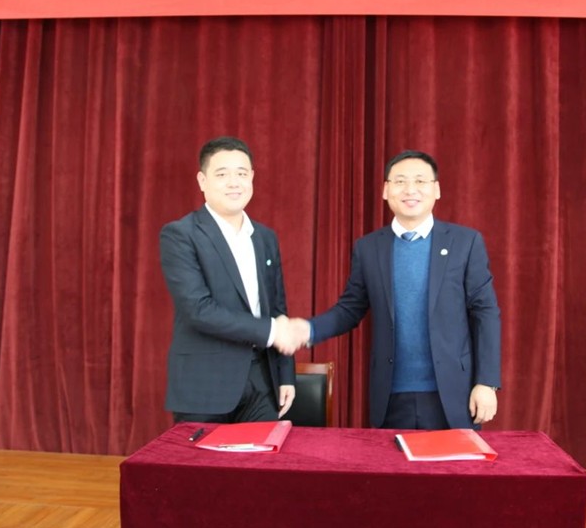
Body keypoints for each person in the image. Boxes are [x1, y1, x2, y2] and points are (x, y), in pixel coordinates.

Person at [283, 150, 501, 430]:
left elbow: (485, 312)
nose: (410, 189)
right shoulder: (369, 247)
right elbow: (350, 309)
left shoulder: (465, 242)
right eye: (400, 181)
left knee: (455, 461)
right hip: (391, 396)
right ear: (386, 191)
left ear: (436, 190)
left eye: (420, 181)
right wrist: (308, 330)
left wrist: (487, 382)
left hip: (454, 394)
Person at [159, 137, 308, 424]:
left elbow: (277, 308)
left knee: (264, 454)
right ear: (202, 181)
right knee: (203, 456)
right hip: (204, 384)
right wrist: (271, 331)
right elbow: (198, 309)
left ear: (251, 177)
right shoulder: (180, 234)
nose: (234, 183)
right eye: (222, 174)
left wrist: (285, 374)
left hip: (262, 382)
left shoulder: (265, 237)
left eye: (241, 173)